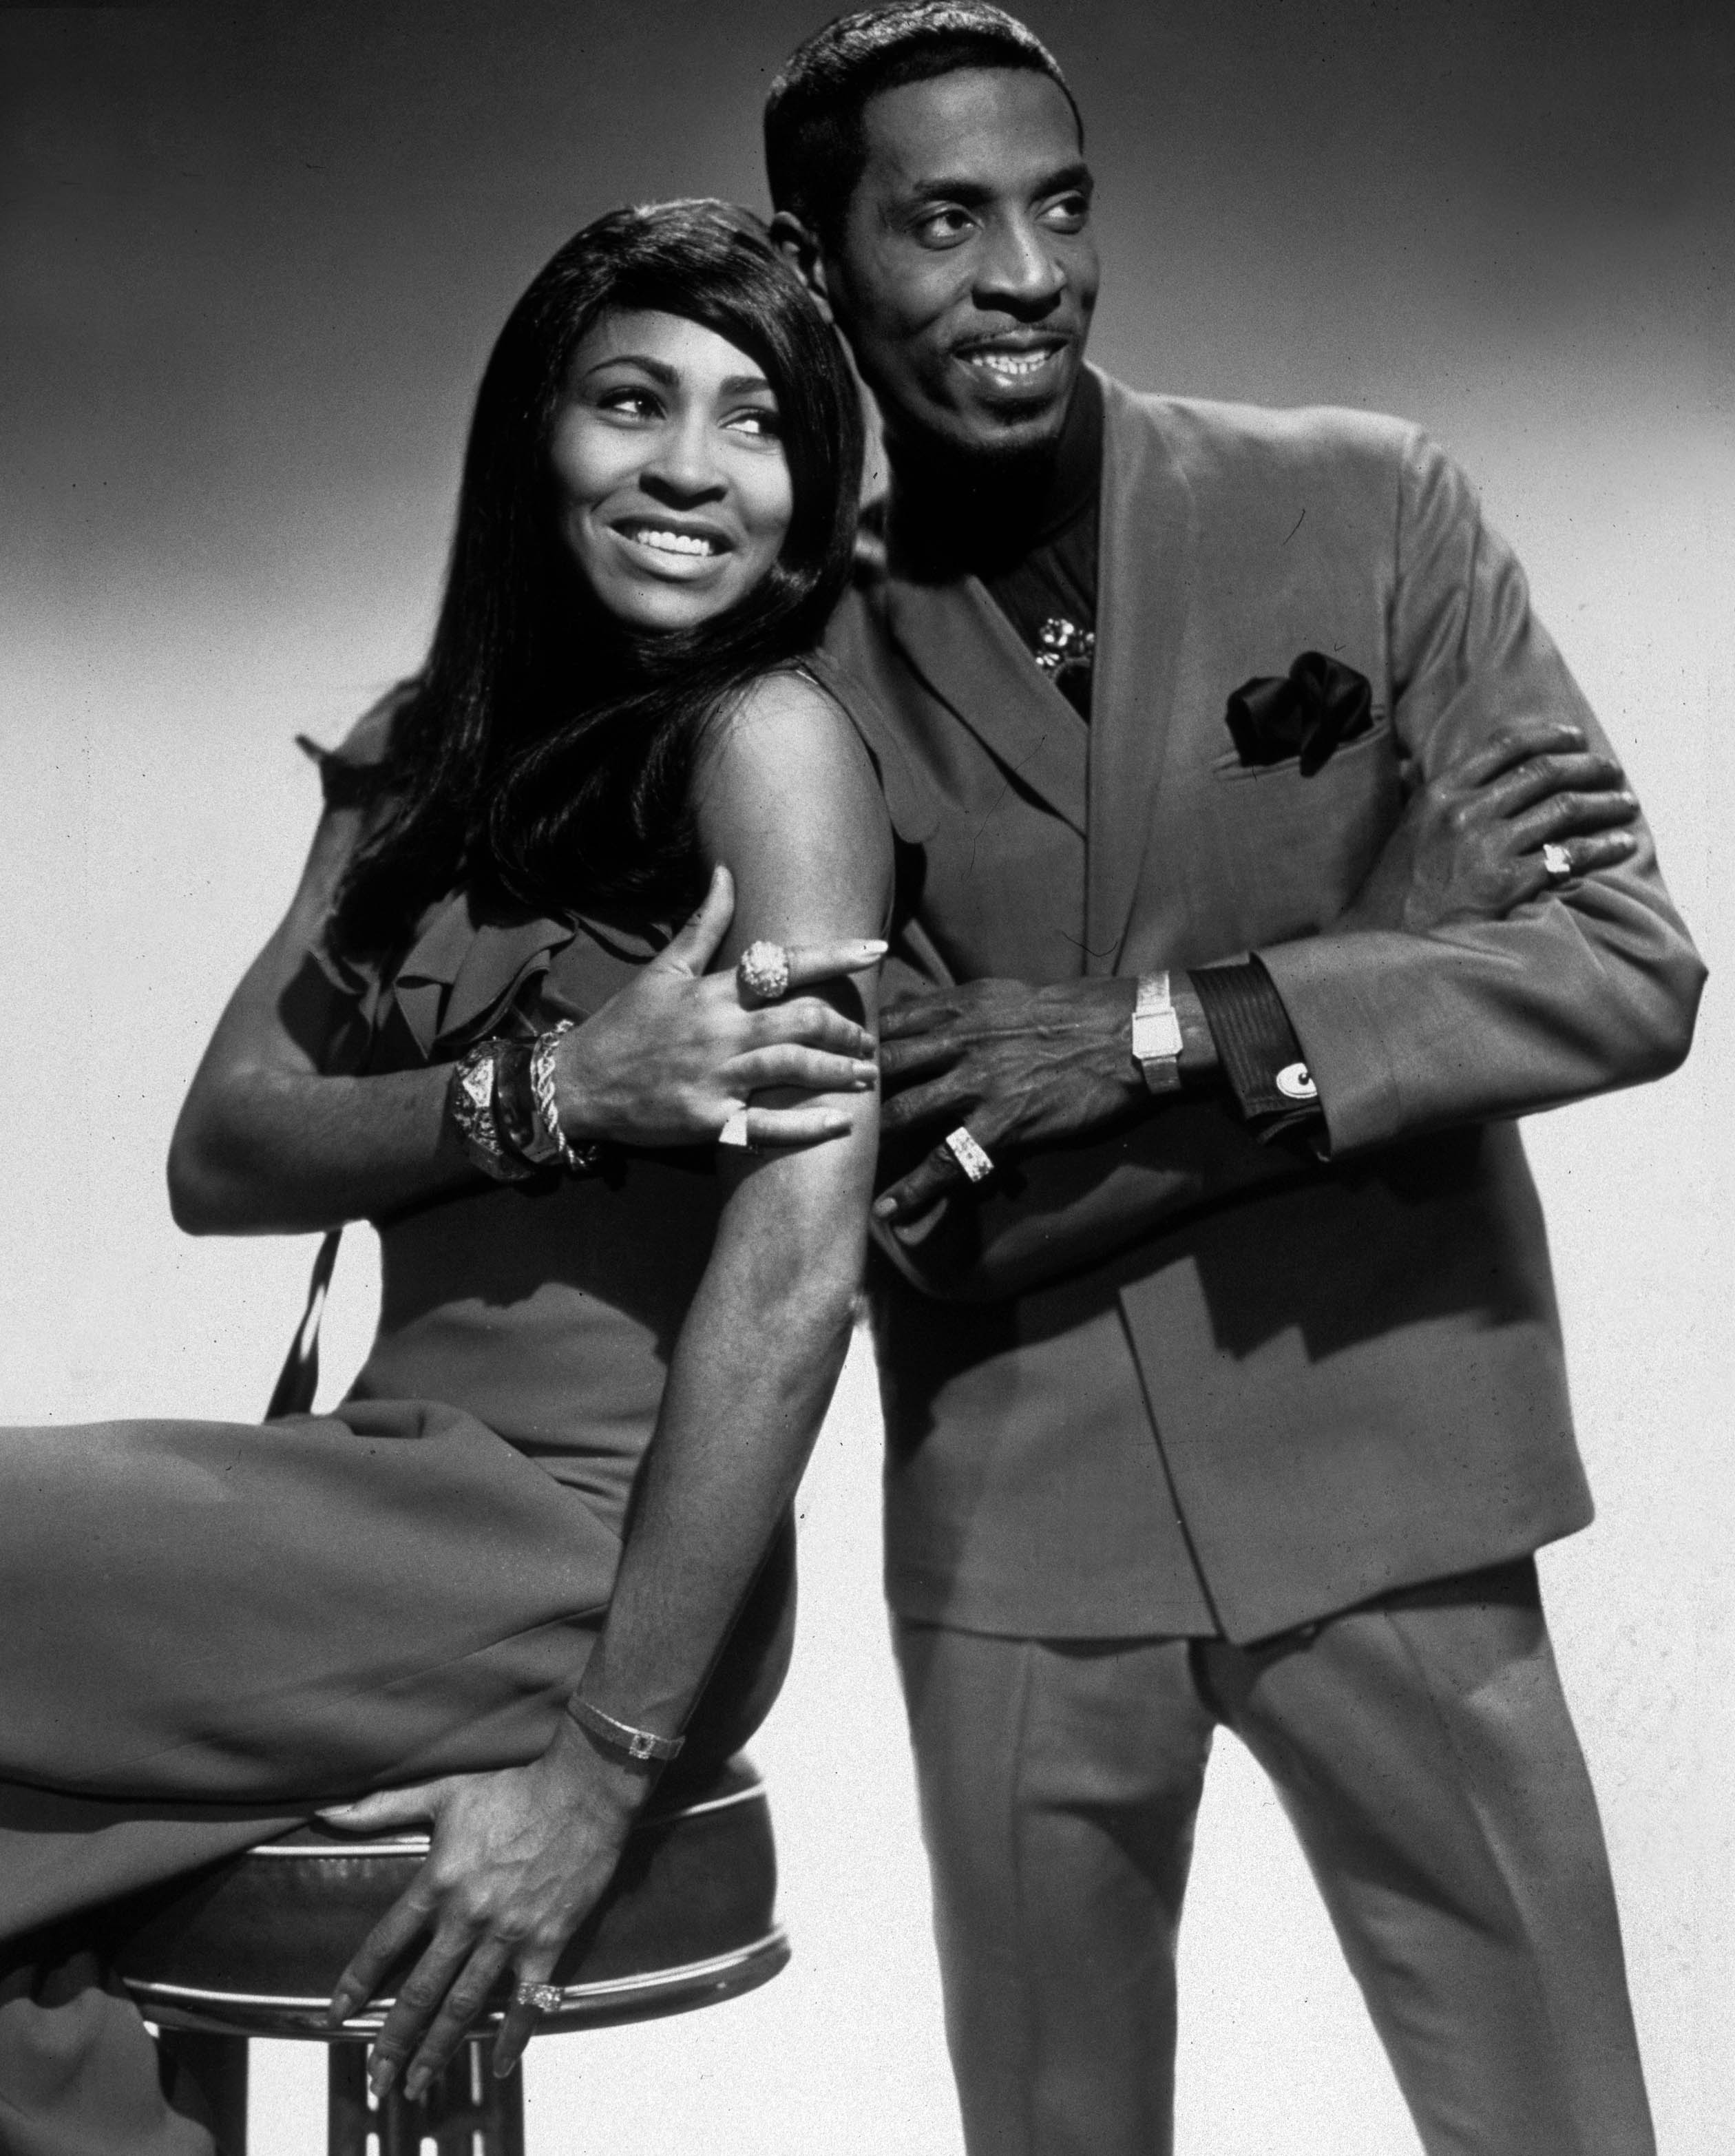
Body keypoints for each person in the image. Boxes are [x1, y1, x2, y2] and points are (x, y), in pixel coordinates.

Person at [760, 8, 1706, 2153]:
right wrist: (1394, 968)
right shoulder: (784, 674)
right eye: (946, 219)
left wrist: (1154, 1033)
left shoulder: (1368, 502)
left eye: (1062, 205)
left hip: (1402, 1474)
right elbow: (926, 1204)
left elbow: (1627, 968)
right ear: (817, 268)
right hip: (1016, 1537)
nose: (1028, 271)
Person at [0, 199, 894, 2154]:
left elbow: (802, 1273)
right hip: (379, 1493)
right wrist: (552, 1085)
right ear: (532, 441)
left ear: (816, 496)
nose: (686, 467)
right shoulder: (431, 755)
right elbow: (222, 1144)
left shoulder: (771, 750)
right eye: (631, 401)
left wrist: (599, 1766)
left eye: (754, 424)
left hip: (596, 1551)